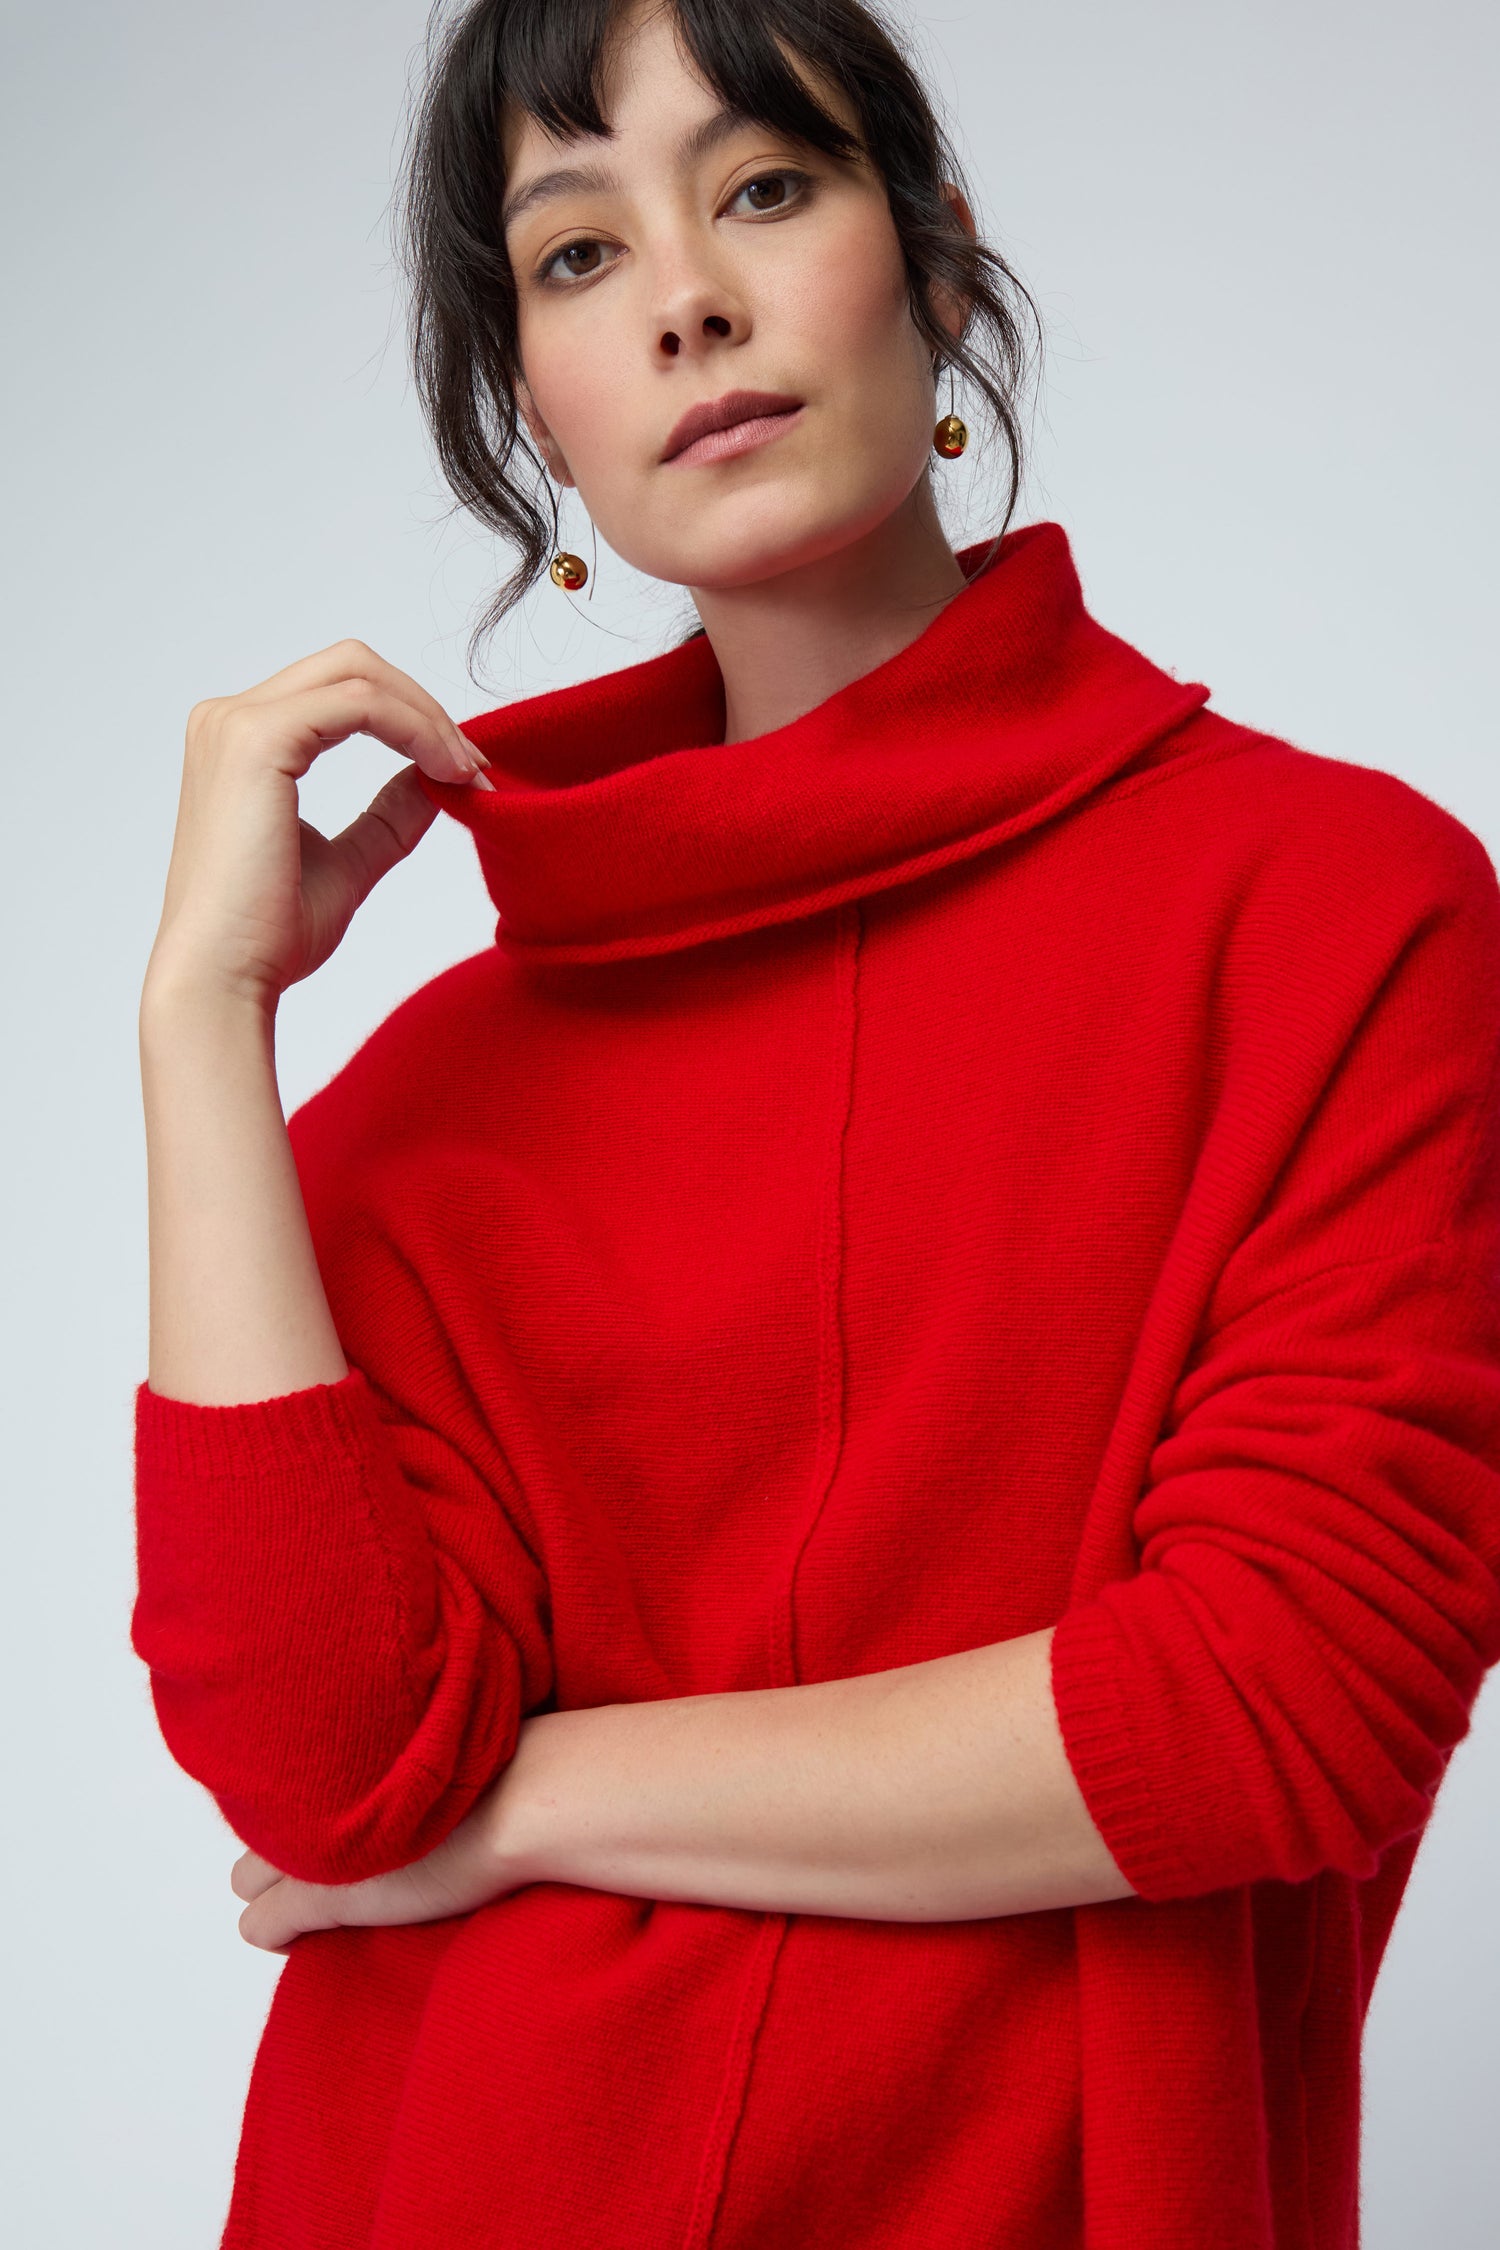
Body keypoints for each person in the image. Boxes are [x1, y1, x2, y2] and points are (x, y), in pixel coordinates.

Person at [130, 2, 1500, 2245]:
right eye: (576, 258)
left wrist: (525, 1808)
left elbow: (1290, 1692)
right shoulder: (421, 1108)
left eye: (766, 185)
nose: (684, 291)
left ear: (938, 262)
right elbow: (327, 1773)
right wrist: (201, 1023)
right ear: (534, 413)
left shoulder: (1338, 913)